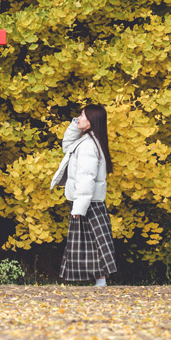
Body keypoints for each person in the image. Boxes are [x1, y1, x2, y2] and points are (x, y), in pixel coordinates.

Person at [50, 104, 117, 286]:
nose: (78, 118)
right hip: (87, 200)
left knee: (92, 240)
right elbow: (67, 145)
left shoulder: (88, 145)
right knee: (91, 240)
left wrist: (79, 207)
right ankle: (100, 281)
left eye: (82, 115)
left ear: (92, 120)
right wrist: (75, 124)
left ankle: (101, 281)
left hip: (87, 200)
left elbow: (87, 178)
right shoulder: (87, 140)